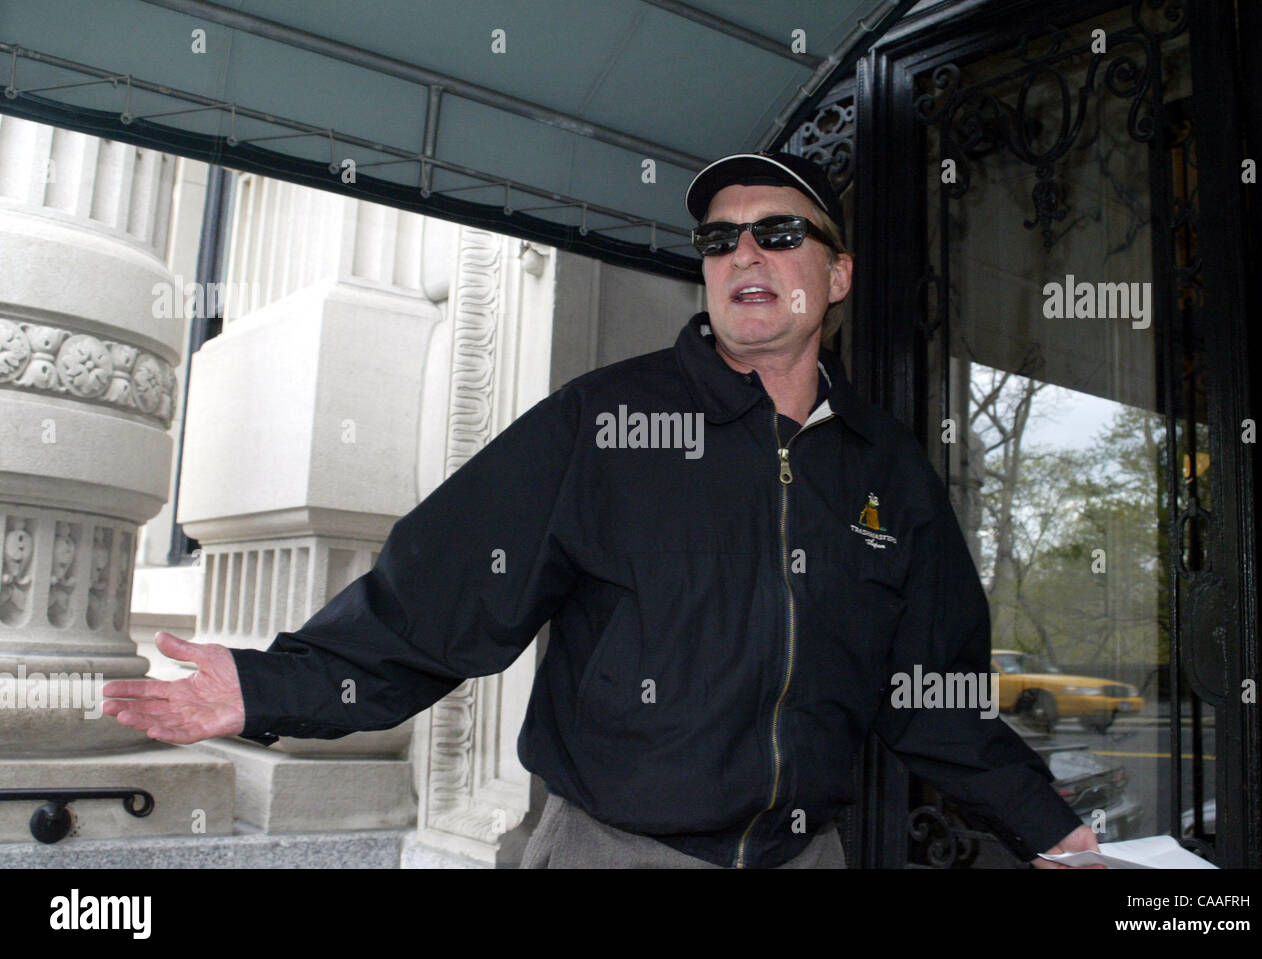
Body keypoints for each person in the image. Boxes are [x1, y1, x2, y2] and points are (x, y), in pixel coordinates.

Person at [104, 151, 1100, 869]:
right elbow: (440, 602)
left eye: (778, 231)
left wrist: (1044, 820)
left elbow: (930, 693)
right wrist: (273, 685)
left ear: (835, 276)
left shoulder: (890, 470)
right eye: (720, 239)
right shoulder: (605, 420)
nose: (742, 251)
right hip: (613, 848)